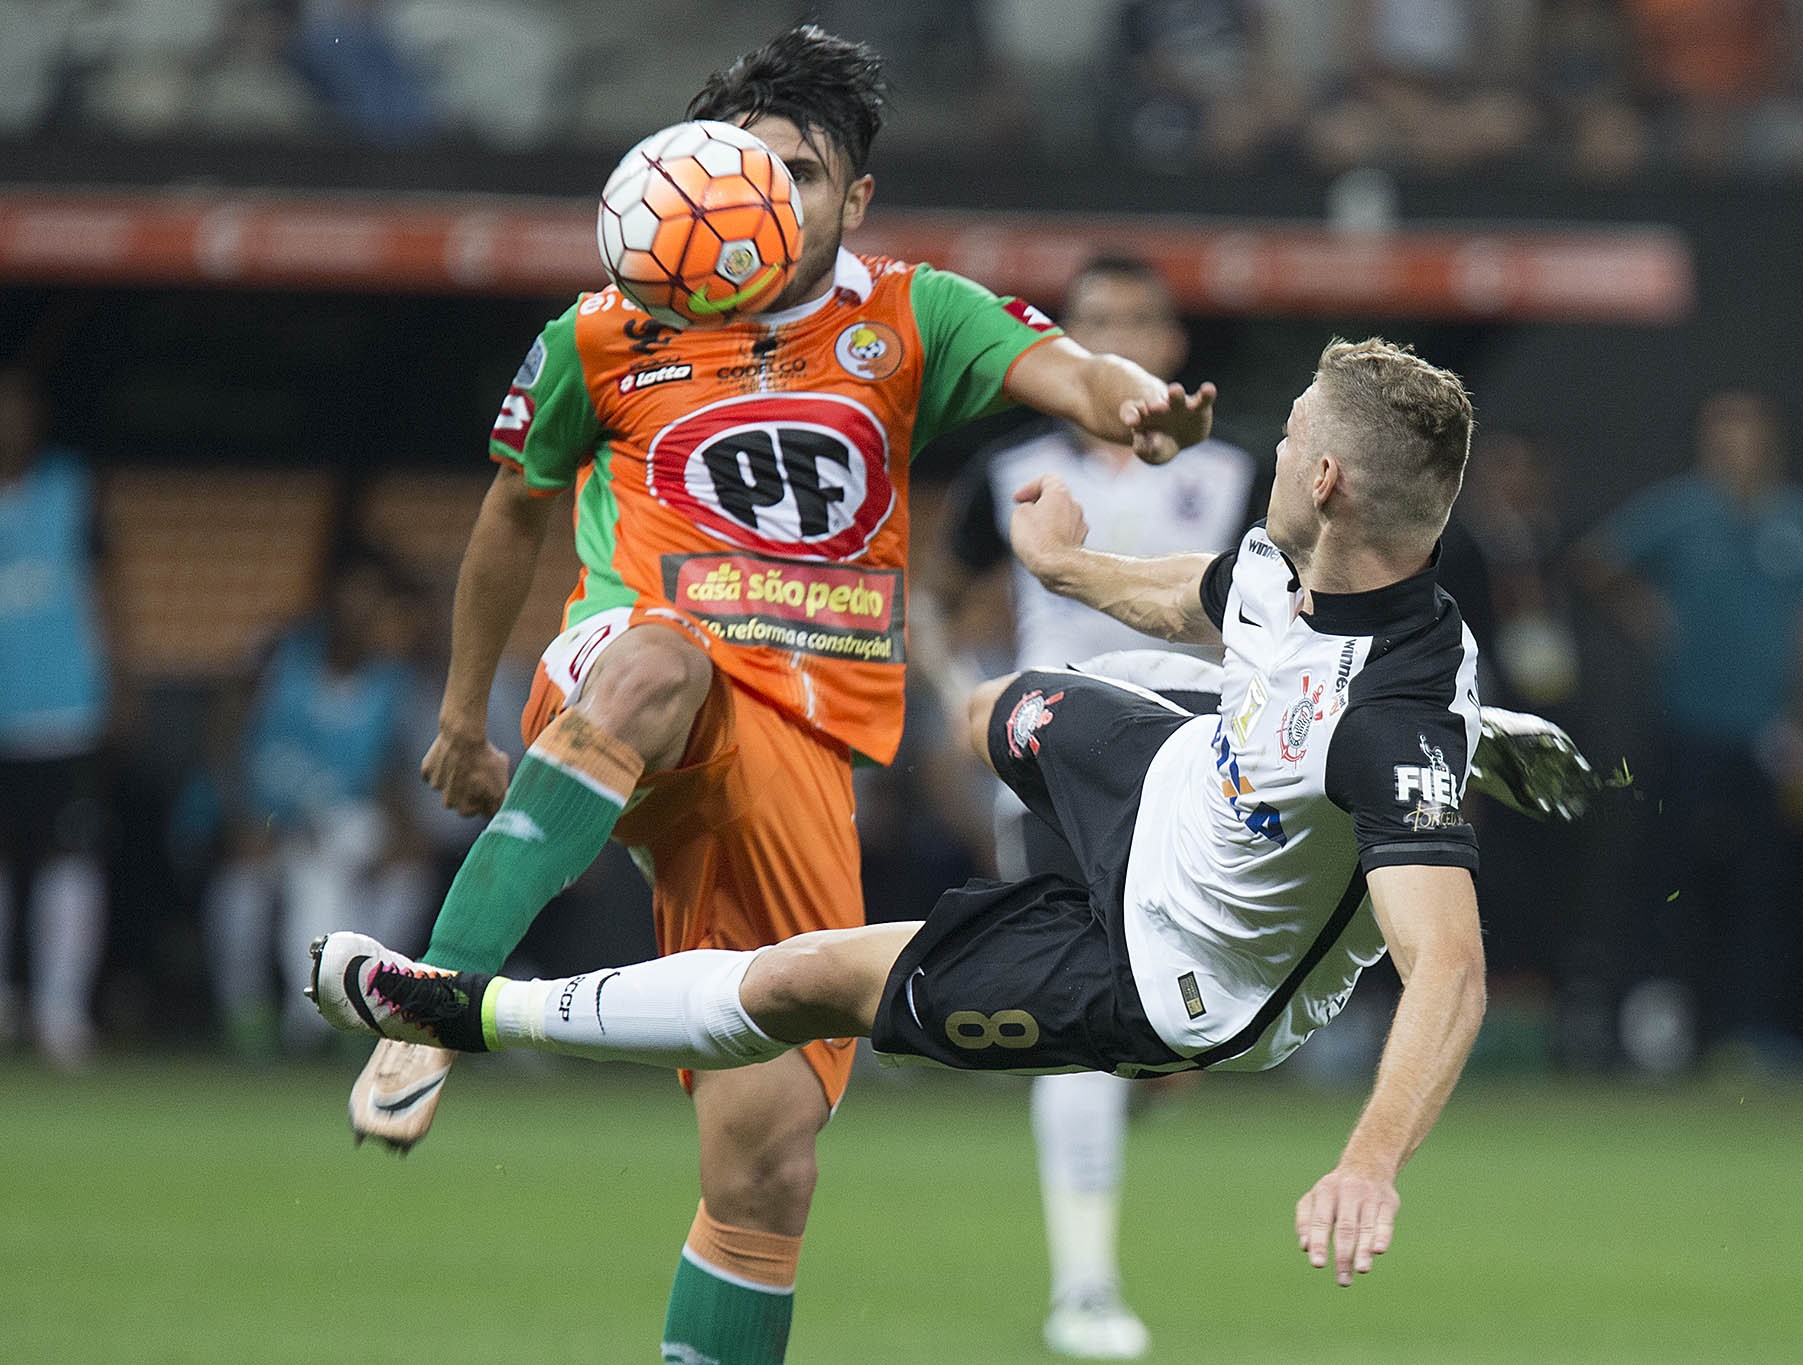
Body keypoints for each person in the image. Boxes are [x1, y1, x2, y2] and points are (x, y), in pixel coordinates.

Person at [311, 339, 1598, 1310]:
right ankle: (1380, 763)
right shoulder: (1291, 560)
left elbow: (1453, 972)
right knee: (986, 708)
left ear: (1323, 478)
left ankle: (459, 1010)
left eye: (1286, 444)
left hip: (1175, 974)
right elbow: (1212, 604)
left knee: (809, 980)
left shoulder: (1390, 719)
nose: (1263, 460)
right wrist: (1062, 572)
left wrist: (1369, 1161)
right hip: (1174, 791)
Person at [350, 26, 1216, 1365]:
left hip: (803, 749)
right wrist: (464, 716)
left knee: (765, 1172)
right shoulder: (601, 329)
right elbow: (511, 521)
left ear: (855, 200)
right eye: (739, 167)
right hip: (640, 678)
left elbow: (1070, 373)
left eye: (801, 175)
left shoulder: (909, 315)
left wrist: (1137, 404)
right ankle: (437, 1002)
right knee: (655, 661)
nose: (762, 198)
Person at [941, 253, 1260, 1359]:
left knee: (1180, 1029)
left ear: (1171, 346)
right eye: (1096, 320)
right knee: (1080, 1020)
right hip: (1057, 754)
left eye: (1139, 319)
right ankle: (1082, 1287)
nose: (1119, 335)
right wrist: (953, 706)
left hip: (1205, 763)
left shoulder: (1235, 477)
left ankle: (1147, 1071)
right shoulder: (1013, 470)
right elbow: (934, 598)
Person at [1576, 387, 1803, 1072]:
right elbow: (1597, 561)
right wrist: (1648, 617)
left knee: (1767, 887)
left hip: (1771, 735)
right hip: (1687, 727)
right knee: (1670, 878)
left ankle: (1753, 1031)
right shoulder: (1681, 511)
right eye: (1724, 437)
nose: (1736, 450)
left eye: (1748, 436)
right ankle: (1656, 1025)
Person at [204, 544, 430, 1058]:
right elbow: (224, 737)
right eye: (354, 597)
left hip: (339, 825)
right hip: (262, 821)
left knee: (401, 871)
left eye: (376, 602)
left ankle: (364, 1005)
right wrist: (241, 816)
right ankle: (248, 1014)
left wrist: (403, 835)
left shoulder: (393, 683)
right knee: (241, 889)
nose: (363, 613)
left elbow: (393, 776)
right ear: (328, 598)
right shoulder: (278, 656)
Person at [0, 365, 111, 1071]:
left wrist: (119, 676)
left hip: (65, 711)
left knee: (70, 863)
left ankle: (61, 1012)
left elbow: (107, 587)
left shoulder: (73, 489)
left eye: (17, 406)